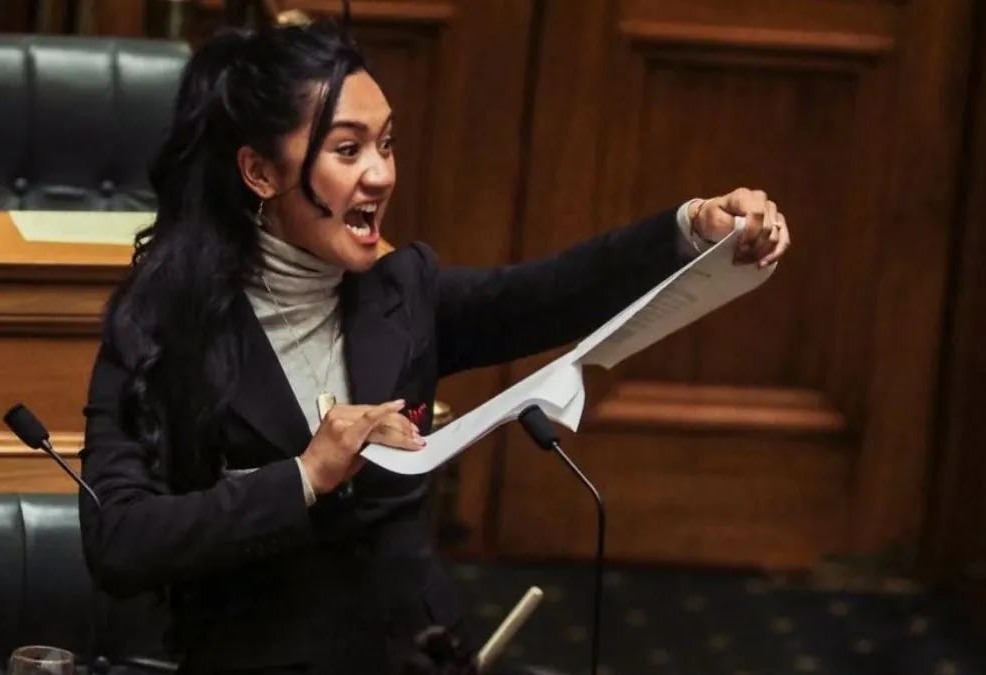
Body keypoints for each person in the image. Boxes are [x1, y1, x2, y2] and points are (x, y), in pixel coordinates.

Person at [78, 17, 791, 675]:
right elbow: (121, 539)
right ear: (261, 172)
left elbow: (551, 292)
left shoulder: (401, 292)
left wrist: (692, 228)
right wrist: (303, 474)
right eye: (347, 149)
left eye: (386, 144)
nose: (381, 174)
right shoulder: (164, 324)